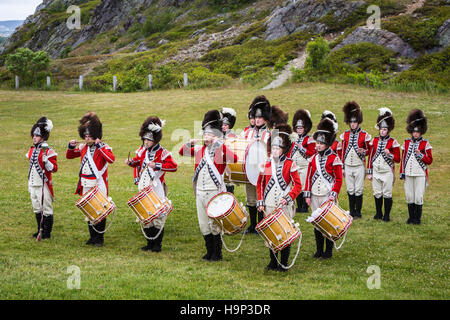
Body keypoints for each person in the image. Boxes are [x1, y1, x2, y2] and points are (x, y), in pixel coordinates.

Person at [179, 110, 238, 261]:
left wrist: (220, 143)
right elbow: (182, 152)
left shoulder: (220, 150)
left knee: (214, 224)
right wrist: (188, 143)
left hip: (214, 191)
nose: (206, 137)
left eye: (209, 135)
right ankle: (209, 251)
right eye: (205, 135)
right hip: (200, 191)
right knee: (203, 223)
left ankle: (217, 253)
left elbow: (234, 158)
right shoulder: (200, 150)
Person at [126, 116, 178, 252]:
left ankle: (157, 245)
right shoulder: (143, 151)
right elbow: (138, 162)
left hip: (157, 188)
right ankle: (149, 243)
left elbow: (173, 167)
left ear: (155, 139)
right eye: (145, 139)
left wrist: (157, 165)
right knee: (146, 216)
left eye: (149, 139)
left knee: (158, 217)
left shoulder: (163, 152)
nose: (146, 141)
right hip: (144, 188)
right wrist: (131, 162)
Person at [66, 112, 115, 246]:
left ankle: (99, 239)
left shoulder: (104, 147)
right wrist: (71, 146)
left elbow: (111, 159)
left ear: (95, 135)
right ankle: (92, 237)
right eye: (85, 135)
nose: (87, 138)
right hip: (86, 183)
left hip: (99, 183)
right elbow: (70, 156)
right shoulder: (83, 147)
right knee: (88, 211)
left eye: (89, 136)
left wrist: (99, 146)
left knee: (100, 211)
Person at [257, 123, 302, 271]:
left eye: (278, 148)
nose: (275, 151)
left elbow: (298, 185)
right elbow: (260, 185)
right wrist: (260, 201)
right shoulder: (265, 164)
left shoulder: (290, 164)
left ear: (283, 149)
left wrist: (288, 198)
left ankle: (284, 263)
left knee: (285, 232)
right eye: (274, 148)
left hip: (284, 204)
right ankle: (273, 261)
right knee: (271, 233)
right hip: (269, 203)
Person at [304, 118, 343, 259]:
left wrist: (334, 194)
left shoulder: (334, 158)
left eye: (321, 143)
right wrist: (307, 195)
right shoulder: (313, 158)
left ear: (327, 144)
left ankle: (328, 251)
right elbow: (308, 177)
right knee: (316, 222)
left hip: (327, 194)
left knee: (328, 222)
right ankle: (319, 249)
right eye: (317, 143)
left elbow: (338, 179)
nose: (318, 146)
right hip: (314, 195)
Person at [242, 96, 271, 234]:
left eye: (260, 117)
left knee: (262, 198)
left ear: (265, 118)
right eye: (255, 117)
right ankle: (252, 225)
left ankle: (261, 225)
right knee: (251, 198)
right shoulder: (247, 132)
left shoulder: (270, 134)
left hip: (263, 171)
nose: (257, 119)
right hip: (250, 169)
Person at [337, 101, 371, 219]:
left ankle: (358, 212)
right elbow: (341, 152)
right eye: (351, 122)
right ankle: (352, 211)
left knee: (358, 189)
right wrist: (342, 167)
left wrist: (364, 152)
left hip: (359, 166)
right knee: (350, 189)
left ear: (358, 122)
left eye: (355, 122)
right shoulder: (344, 135)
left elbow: (369, 151)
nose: (352, 124)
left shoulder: (364, 135)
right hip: (348, 165)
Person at [367, 108, 400, 222]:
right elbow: (370, 156)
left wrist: (389, 154)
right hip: (376, 171)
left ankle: (387, 215)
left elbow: (398, 159)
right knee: (377, 193)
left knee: (387, 194)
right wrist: (369, 172)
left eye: (384, 129)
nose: (382, 131)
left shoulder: (393, 142)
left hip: (387, 172)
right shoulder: (374, 140)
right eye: (381, 129)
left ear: (388, 130)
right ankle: (378, 213)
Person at [400, 109, 433, 225]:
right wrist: (402, 172)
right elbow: (403, 159)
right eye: (414, 132)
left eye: (418, 132)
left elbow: (429, 160)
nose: (415, 134)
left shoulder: (425, 144)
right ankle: (411, 217)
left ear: (421, 132)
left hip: (420, 174)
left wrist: (421, 155)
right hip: (408, 173)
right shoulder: (406, 142)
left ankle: (417, 219)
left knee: (418, 197)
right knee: (409, 196)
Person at [27, 117, 57, 239]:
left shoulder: (48, 151)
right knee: (36, 207)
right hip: (33, 183)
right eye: (34, 135)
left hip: (43, 184)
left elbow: (54, 168)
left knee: (46, 209)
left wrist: (47, 162)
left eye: (37, 135)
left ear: (43, 137)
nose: (34, 137)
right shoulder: (32, 150)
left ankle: (46, 233)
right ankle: (40, 229)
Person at [288, 109, 315, 213]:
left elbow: (311, 152)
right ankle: (299, 206)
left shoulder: (309, 139)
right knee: (296, 185)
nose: (299, 130)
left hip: (304, 165)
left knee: (304, 185)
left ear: (305, 128)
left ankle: (305, 207)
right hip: (295, 165)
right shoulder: (294, 138)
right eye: (298, 128)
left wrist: (301, 147)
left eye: (301, 128)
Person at [221, 107, 237, 194]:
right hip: (220, 162)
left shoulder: (233, 135)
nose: (223, 127)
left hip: (229, 161)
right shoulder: (218, 134)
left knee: (229, 183)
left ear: (229, 126)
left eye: (226, 125)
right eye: (222, 125)